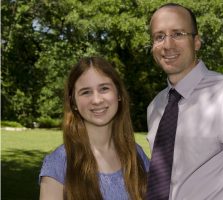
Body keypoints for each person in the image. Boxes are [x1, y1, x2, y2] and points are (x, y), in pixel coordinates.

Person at [146, 3, 223, 200]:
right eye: (159, 36)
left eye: (177, 34)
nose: (167, 45)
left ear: (196, 42)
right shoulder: (155, 106)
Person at [39, 56, 149, 200]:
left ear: (119, 94)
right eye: (86, 92)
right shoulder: (59, 163)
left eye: (104, 88)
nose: (97, 100)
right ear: (73, 103)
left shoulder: (136, 155)